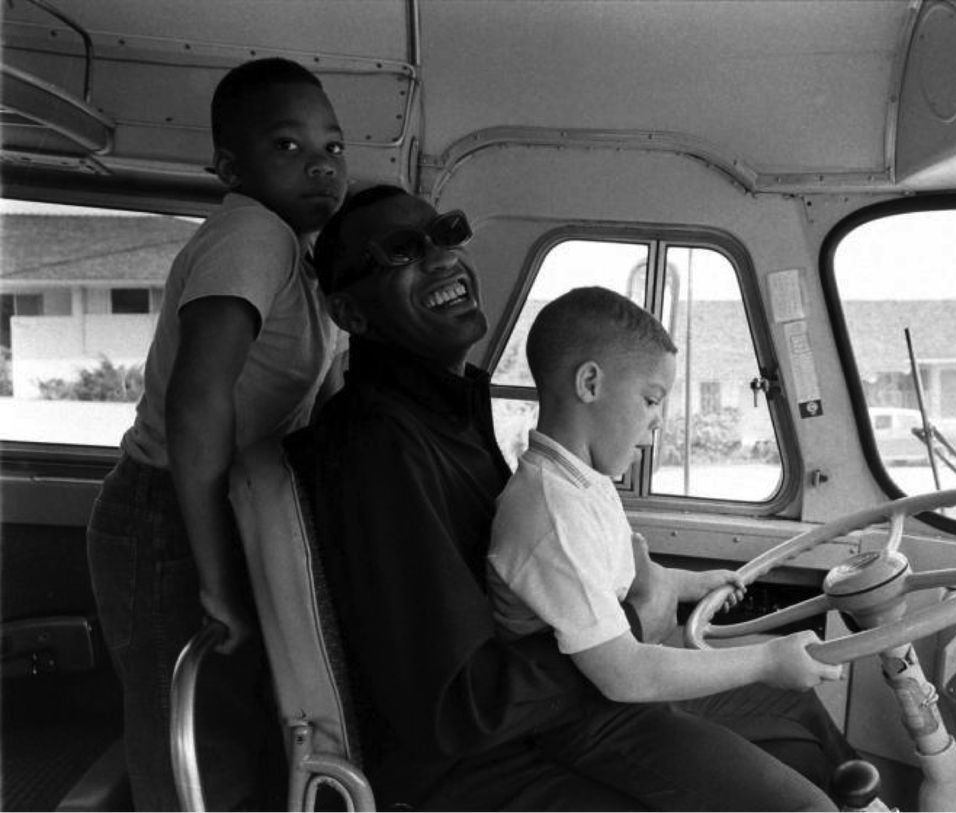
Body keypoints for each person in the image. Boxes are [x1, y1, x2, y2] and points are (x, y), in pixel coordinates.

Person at [296, 184, 857, 811]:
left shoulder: (454, 412)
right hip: (486, 757)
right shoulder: (377, 446)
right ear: (350, 315)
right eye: (402, 251)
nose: (442, 257)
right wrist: (639, 619)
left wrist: (663, 590)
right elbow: (460, 707)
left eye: (447, 234)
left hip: (557, 705)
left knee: (796, 707)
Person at [85, 57, 348, 811]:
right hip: (166, 512)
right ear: (230, 166)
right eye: (287, 147)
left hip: (207, 506)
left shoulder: (298, 255)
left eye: (331, 146)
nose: (321, 165)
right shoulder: (251, 236)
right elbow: (199, 405)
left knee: (224, 733)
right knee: (191, 750)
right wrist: (217, 578)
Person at [486, 286, 844, 811]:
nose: (658, 421)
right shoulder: (550, 514)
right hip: (587, 717)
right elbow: (625, 673)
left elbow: (610, 577)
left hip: (613, 692)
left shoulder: (584, 480)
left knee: (799, 705)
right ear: (590, 383)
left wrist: (687, 583)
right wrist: (766, 658)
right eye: (651, 400)